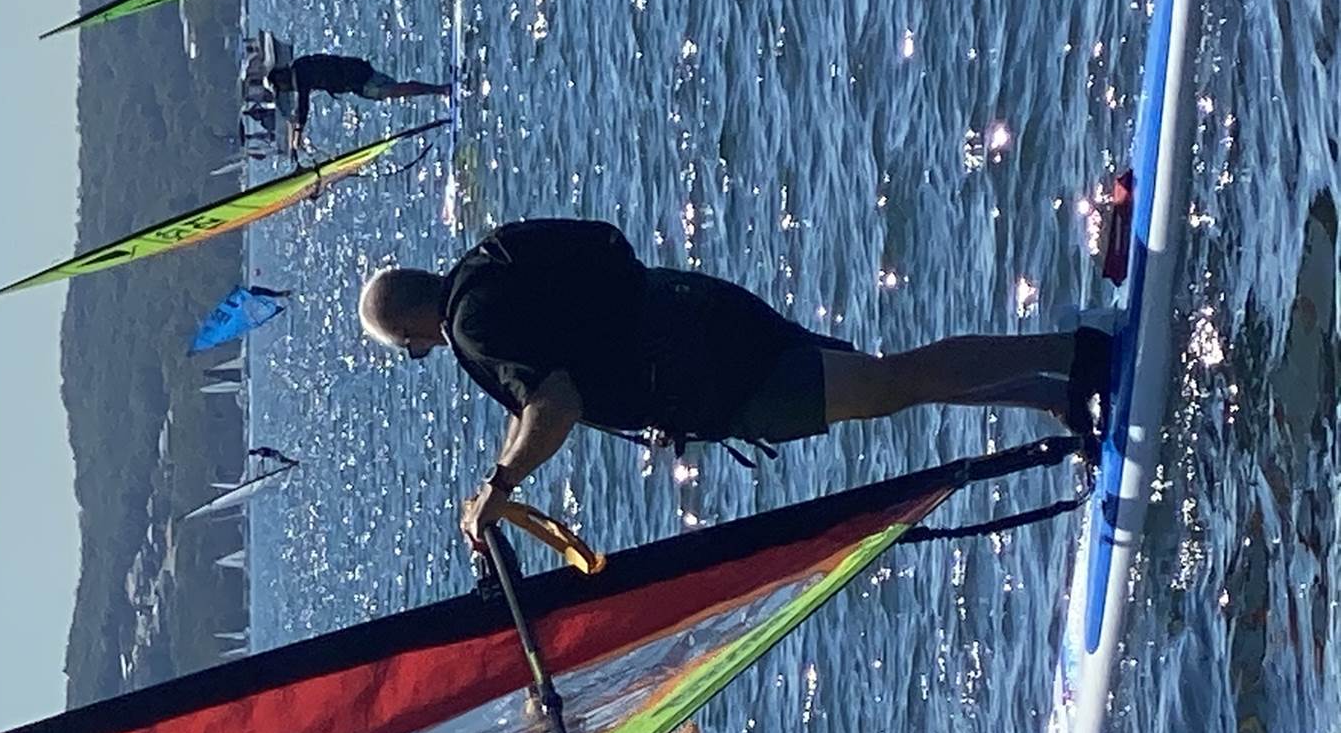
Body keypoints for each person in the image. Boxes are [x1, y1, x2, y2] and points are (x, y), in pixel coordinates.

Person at [355, 219, 1112, 546]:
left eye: (413, 350)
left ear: (414, 332)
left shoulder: (470, 331)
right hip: (703, 311)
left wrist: (500, 485)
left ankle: (1074, 351)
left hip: (721, 377)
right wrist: (500, 470)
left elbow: (553, 403)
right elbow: (541, 377)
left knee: (892, 382)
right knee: (891, 382)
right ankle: (1054, 392)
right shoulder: (490, 263)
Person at [270, 53, 450, 150]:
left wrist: (298, 132)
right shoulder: (300, 64)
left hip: (358, 80)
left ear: (283, 80)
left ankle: (441, 90)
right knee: (397, 89)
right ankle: (439, 89)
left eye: (283, 88)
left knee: (396, 90)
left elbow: (304, 104)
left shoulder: (301, 76)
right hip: (357, 68)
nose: (287, 91)